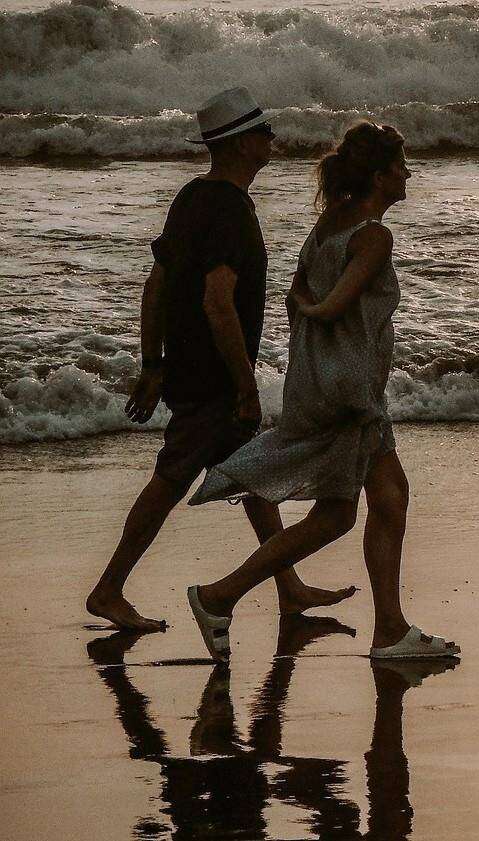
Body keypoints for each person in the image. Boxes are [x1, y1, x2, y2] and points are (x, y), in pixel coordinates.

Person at [184, 121, 459, 663]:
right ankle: (219, 595)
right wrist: (317, 310)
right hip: (349, 388)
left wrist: (307, 309)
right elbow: (332, 304)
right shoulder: (375, 236)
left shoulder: (327, 224)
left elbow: (297, 293)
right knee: (338, 515)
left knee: (389, 498)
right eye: (401, 165)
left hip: (320, 380)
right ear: (380, 176)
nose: (409, 174)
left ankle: (390, 628)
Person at [86, 87, 355, 633]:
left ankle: (290, 586)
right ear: (239, 145)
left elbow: (156, 284)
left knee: (254, 475)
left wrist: (154, 363)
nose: (271, 141)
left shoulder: (192, 197)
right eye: (263, 133)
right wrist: (244, 385)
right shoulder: (229, 210)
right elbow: (217, 302)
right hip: (212, 378)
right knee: (169, 480)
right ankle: (108, 589)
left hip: (187, 367)